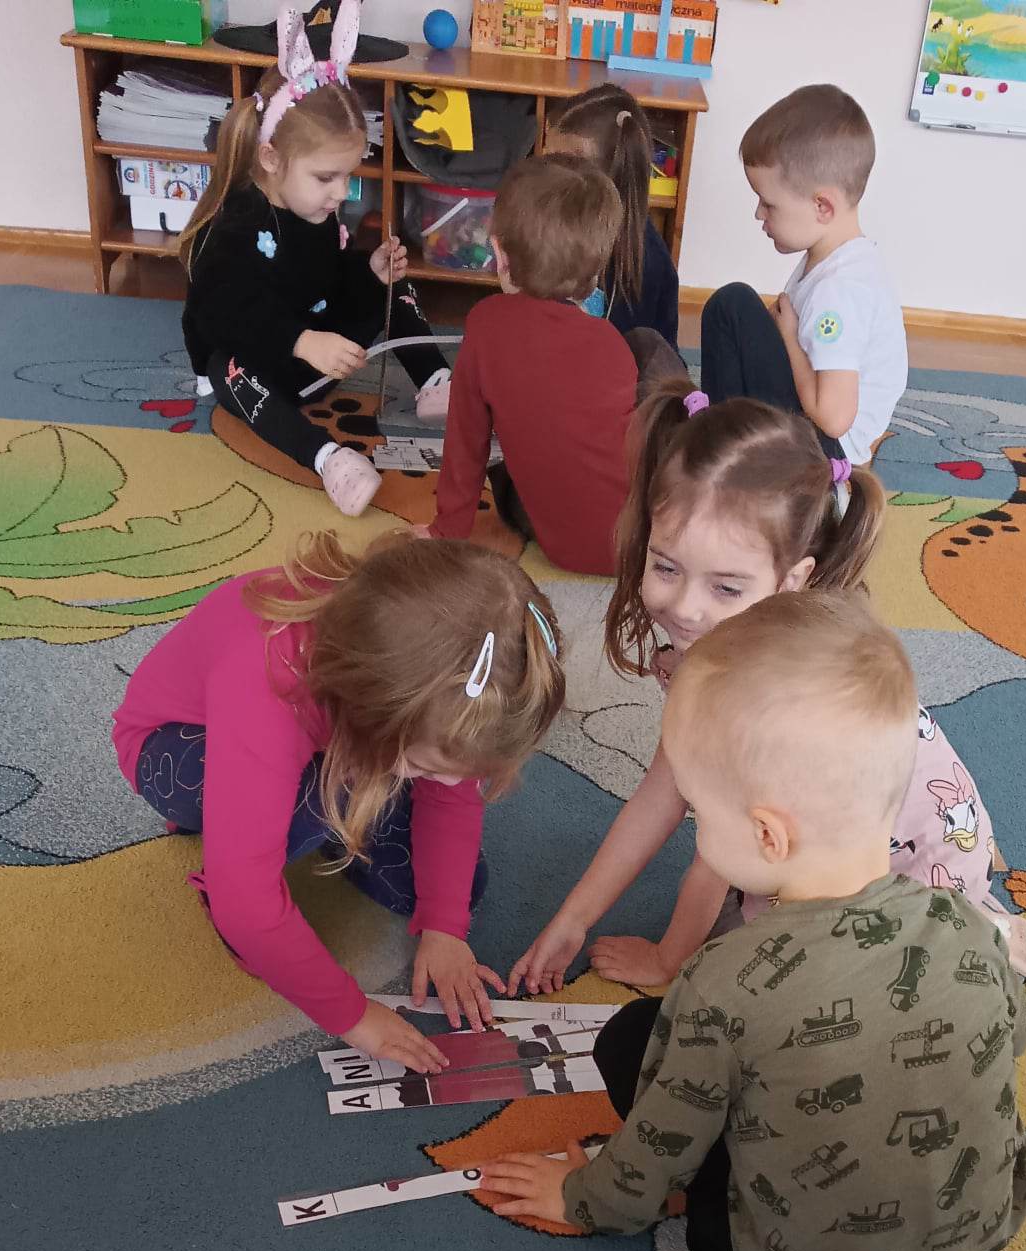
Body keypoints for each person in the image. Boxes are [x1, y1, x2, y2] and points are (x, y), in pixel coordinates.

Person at [482, 591, 1026, 1251]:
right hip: (968, 1245)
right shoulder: (969, 923)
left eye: (700, 813)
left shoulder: (725, 981)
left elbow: (663, 1136)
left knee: (631, 1042)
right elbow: (1015, 1032)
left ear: (768, 837)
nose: (696, 828)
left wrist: (583, 1198)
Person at [507, 385, 1026, 999]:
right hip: (830, 835)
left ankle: (977, 931)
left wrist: (667, 960)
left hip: (911, 868)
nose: (685, 608)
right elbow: (663, 793)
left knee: (778, 983)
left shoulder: (767, 698)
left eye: (726, 587)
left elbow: (713, 864)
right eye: (666, 567)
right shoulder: (725, 649)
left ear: (792, 580)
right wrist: (574, 918)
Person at [112, 534, 564, 1070]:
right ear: (371, 713)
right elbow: (248, 906)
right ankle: (229, 852)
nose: (447, 784)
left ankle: (344, 800)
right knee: (308, 817)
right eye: (427, 769)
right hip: (176, 751)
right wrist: (354, 1016)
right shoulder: (265, 684)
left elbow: (452, 798)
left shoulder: (427, 684)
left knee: (451, 887)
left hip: (335, 737)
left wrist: (445, 925)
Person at [180, 4, 454, 519]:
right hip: (266, 370)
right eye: (326, 177)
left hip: (325, 355)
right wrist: (303, 341)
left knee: (391, 279)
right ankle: (329, 460)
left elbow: (323, 276)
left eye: (347, 176)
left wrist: (368, 273)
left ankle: (436, 381)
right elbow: (223, 316)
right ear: (271, 159)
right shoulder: (235, 225)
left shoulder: (313, 206)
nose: (341, 193)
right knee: (225, 369)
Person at [425, 154, 641, 574]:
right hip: (638, 546)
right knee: (646, 347)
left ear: (499, 254)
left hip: (561, 545)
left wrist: (446, 530)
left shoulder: (484, 324)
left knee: (503, 475)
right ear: (595, 271)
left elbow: (466, 441)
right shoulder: (612, 344)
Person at [701, 84, 908, 469]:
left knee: (731, 306)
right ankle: (724, 437)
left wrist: (788, 337)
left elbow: (834, 417)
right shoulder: (841, 260)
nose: (759, 214)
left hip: (824, 451)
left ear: (822, 206)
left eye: (769, 204)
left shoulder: (838, 291)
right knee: (742, 317)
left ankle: (723, 453)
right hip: (820, 435)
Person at [546, 83, 680, 350]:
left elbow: (618, 356)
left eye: (553, 164)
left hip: (627, 365)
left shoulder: (641, 262)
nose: (543, 174)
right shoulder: (572, 224)